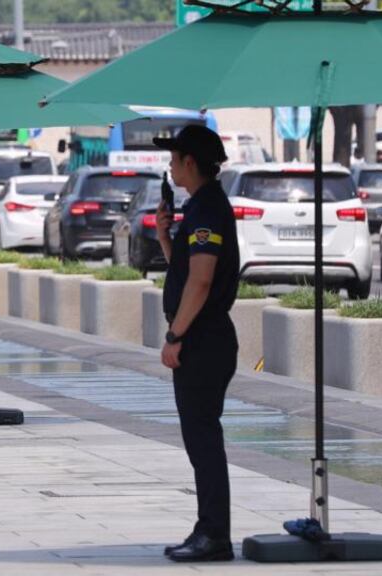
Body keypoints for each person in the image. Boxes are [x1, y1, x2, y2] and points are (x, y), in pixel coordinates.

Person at [153, 125, 240, 563]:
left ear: (190, 162)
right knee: (199, 439)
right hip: (201, 335)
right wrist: (167, 239)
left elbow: (202, 282)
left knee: (203, 439)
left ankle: (214, 535)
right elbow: (187, 274)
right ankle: (208, 528)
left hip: (203, 340)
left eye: (173, 159)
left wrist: (175, 335)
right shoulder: (200, 209)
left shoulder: (207, 210)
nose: (170, 167)